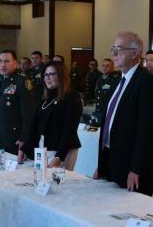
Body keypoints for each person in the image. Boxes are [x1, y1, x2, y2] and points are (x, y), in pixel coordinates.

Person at [94, 32, 153, 196]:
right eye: (113, 48)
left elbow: (146, 131)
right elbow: (110, 123)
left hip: (132, 169)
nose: (113, 53)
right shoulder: (116, 81)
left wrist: (136, 168)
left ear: (135, 53)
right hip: (111, 163)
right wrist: (102, 164)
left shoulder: (146, 81)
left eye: (119, 49)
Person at [18, 61, 82, 170]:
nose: (47, 78)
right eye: (45, 75)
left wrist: (59, 157)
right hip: (43, 148)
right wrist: (24, 148)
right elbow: (35, 126)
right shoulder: (45, 99)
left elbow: (69, 130)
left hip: (63, 150)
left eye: (52, 74)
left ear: (61, 76)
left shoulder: (72, 97)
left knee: (58, 185)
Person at [0, 50, 35, 155]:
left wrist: (24, 138)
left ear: (15, 63)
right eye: (0, 61)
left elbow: (29, 114)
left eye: (6, 61)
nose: (2, 64)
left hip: (14, 138)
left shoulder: (22, 81)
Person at [92, 59, 121, 125]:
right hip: (98, 111)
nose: (104, 68)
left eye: (107, 66)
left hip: (108, 112)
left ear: (112, 67)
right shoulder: (100, 78)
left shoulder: (115, 80)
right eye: (103, 66)